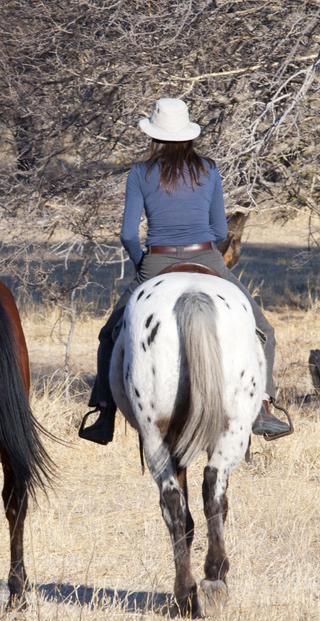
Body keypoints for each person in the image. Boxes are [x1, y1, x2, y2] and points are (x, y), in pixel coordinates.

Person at [79, 97, 291, 445]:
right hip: (207, 258)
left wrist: (142, 265)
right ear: (189, 135)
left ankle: (104, 413)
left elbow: (128, 234)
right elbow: (221, 231)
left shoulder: (140, 173)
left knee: (109, 334)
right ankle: (265, 406)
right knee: (263, 328)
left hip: (157, 261)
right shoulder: (209, 169)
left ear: (154, 135)